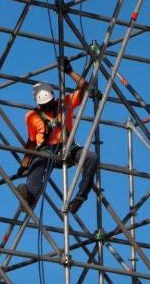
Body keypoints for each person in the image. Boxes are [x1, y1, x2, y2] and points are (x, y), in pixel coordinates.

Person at [17, 58, 98, 213]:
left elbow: (86, 88)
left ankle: (80, 197)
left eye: (49, 104)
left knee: (91, 157)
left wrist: (69, 71)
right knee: (37, 162)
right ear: (38, 104)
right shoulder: (32, 116)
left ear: (53, 98)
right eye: (44, 106)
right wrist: (24, 164)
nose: (48, 107)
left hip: (68, 148)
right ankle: (29, 198)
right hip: (46, 151)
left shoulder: (65, 103)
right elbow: (31, 141)